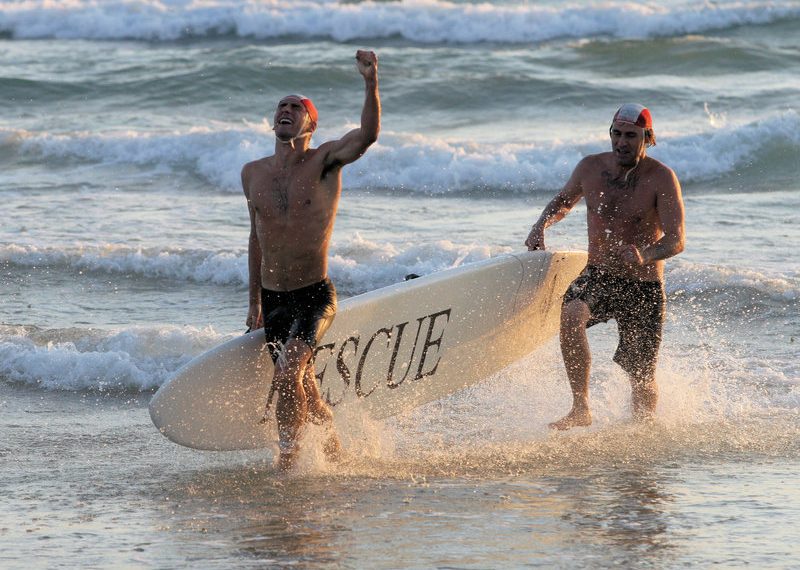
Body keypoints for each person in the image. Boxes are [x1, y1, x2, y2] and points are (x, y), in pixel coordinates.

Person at [241, 50, 380, 468]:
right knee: (304, 387)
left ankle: (289, 459)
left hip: (314, 295)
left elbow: (367, 136)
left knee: (286, 374)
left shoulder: (325, 162)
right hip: (275, 299)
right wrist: (255, 301)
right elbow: (256, 237)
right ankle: (337, 451)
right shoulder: (253, 173)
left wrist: (371, 82)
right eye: (281, 106)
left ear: (310, 123)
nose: (286, 110)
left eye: (296, 107)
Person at [525, 103, 685, 430]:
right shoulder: (590, 168)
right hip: (599, 275)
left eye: (631, 135)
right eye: (617, 134)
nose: (622, 142)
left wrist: (645, 254)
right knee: (571, 316)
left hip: (643, 287)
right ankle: (580, 408)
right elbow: (563, 202)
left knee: (640, 376)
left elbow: (676, 240)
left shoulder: (661, 178)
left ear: (648, 138)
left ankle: (642, 430)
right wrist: (541, 225)